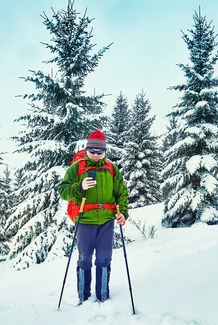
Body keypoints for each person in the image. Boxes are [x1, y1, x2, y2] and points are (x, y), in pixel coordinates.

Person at [58, 129, 129, 304]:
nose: (96, 155)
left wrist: (122, 213)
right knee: (85, 258)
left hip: (106, 221)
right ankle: (84, 297)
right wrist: (79, 187)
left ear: (105, 151)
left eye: (100, 152)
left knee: (104, 258)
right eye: (92, 152)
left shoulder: (111, 169)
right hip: (85, 220)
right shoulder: (78, 167)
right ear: (87, 149)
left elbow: (122, 193)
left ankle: (103, 296)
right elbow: (63, 190)